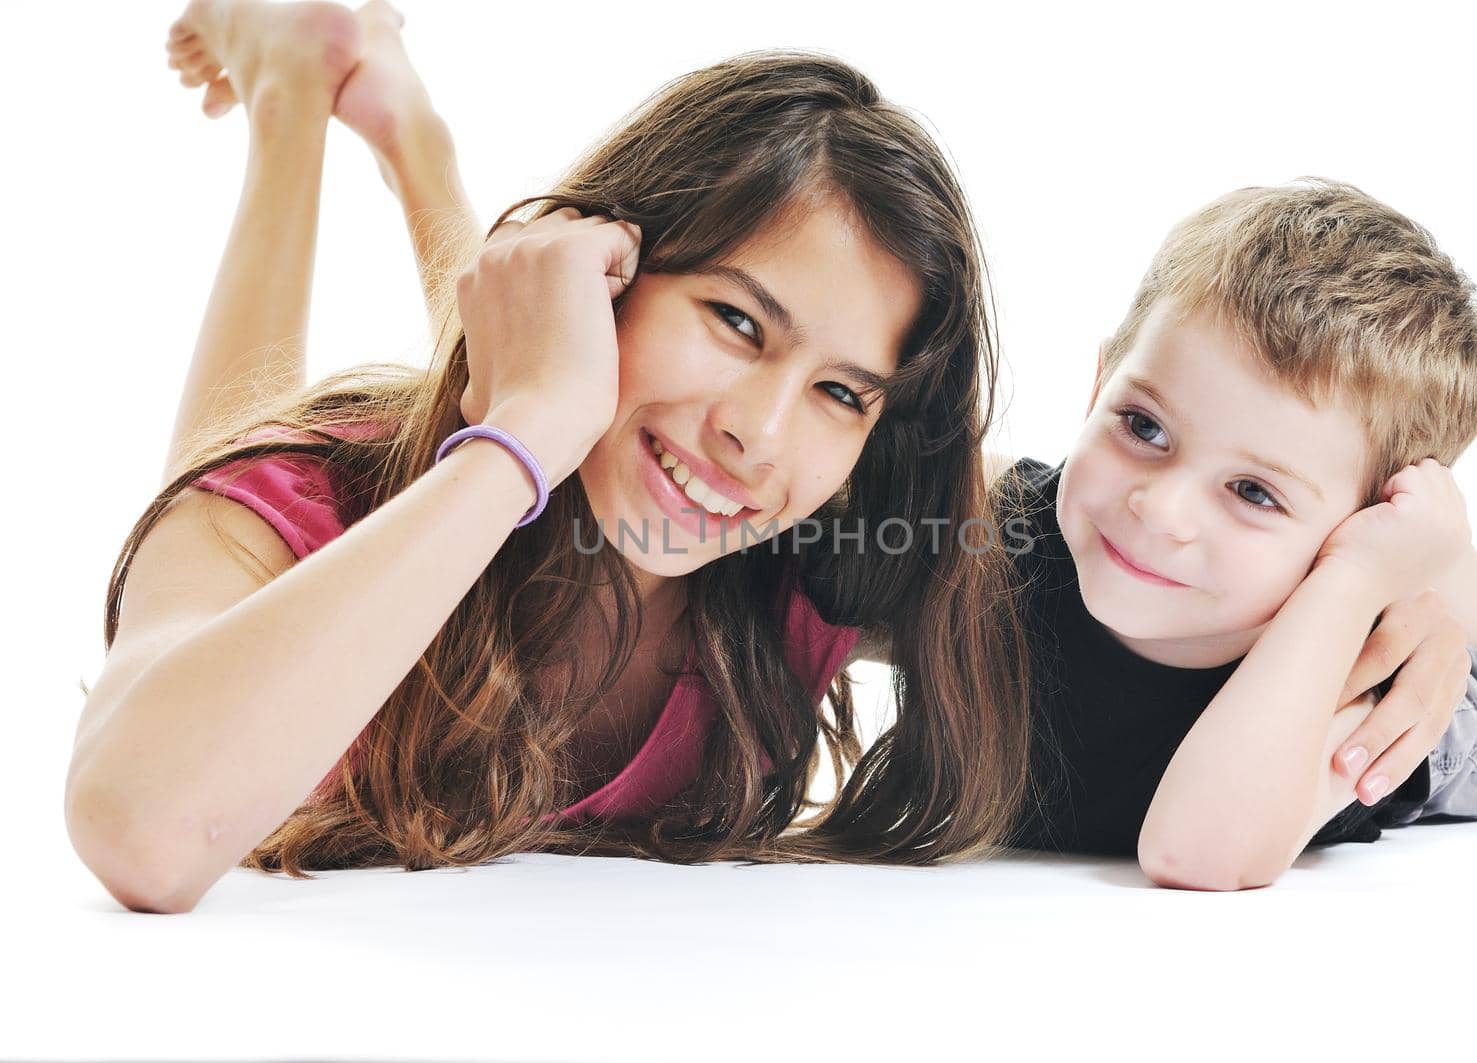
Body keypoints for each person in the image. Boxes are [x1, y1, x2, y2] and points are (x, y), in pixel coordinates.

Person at [64, 0, 1032, 913]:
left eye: (841, 390)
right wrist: (527, 431)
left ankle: (412, 136)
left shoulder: (822, 565)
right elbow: (141, 834)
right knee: (243, 443)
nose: (762, 434)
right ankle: (287, 105)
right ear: (600, 271)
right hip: (357, 483)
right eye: (736, 320)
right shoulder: (291, 503)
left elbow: (1127, 557)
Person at [997, 179, 1477, 890]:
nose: (1161, 509)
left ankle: (1427, 543)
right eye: (1143, 425)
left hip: (1473, 716)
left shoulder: (1362, 678)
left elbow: (1196, 854)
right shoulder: (1006, 530)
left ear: (1361, 527)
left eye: (1253, 491)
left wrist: (1359, 577)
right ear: (1099, 387)